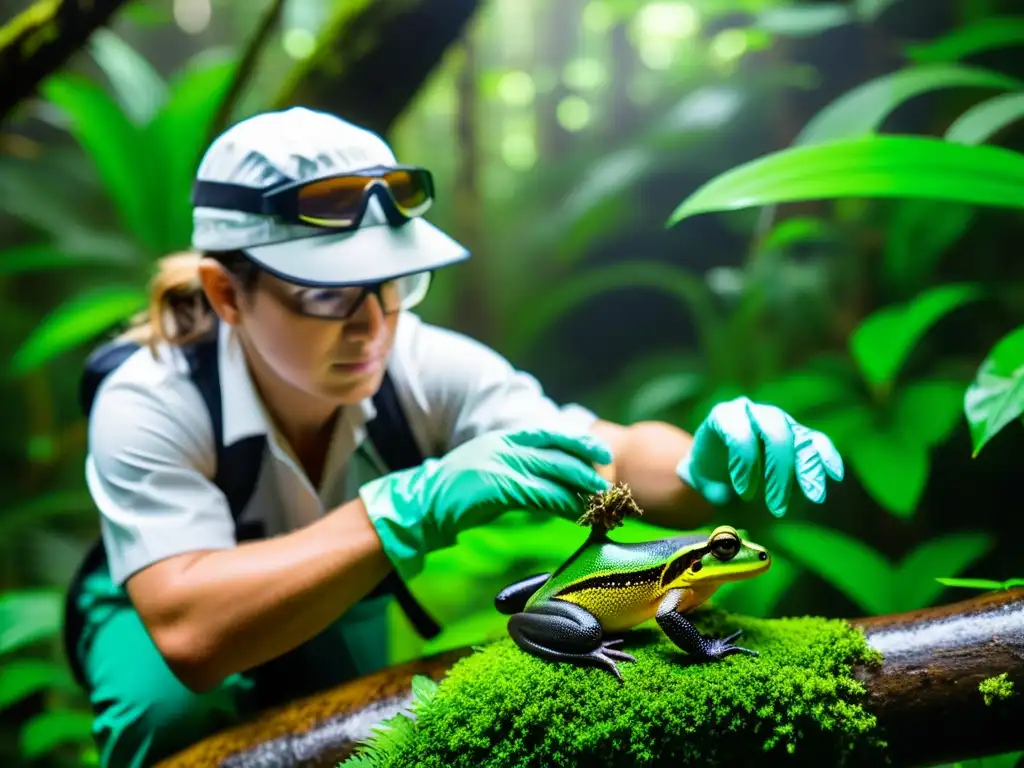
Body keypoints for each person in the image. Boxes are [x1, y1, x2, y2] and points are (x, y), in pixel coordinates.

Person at [63, 106, 845, 768]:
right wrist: (405, 507)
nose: (373, 326)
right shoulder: (151, 393)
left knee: (344, 737)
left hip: (343, 593)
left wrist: (700, 465)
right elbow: (191, 630)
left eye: (393, 283)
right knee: (165, 716)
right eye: (328, 294)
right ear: (227, 294)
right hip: (162, 600)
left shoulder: (419, 361)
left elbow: (601, 452)